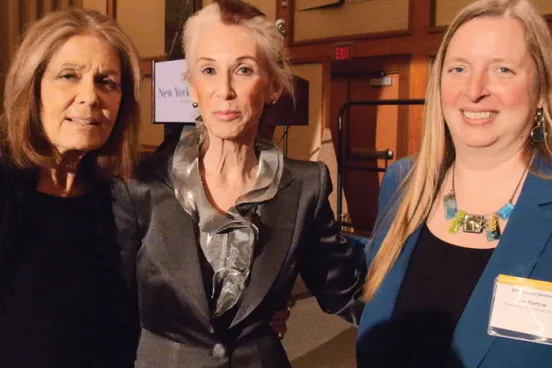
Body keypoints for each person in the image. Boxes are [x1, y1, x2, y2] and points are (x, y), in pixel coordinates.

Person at [112, 0, 366, 367]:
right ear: (192, 86)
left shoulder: (305, 187)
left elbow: (344, 292)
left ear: (273, 86)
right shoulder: (140, 185)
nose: (224, 89)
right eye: (209, 70)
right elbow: (107, 301)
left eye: (244, 70)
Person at [357, 0, 552, 367]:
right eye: (459, 68)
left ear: (541, 90)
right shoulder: (404, 184)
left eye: (502, 70)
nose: (474, 89)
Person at [0, 8, 142, 368]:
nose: (90, 97)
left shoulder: (124, 197)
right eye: (69, 76)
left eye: (107, 82)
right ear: (32, 88)